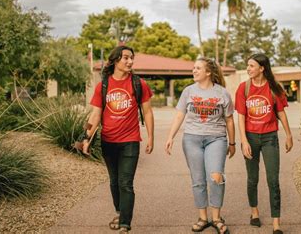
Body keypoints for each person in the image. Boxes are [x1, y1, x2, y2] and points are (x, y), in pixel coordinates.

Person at [81, 45, 154, 234]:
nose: (130, 61)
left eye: (132, 58)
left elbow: (147, 112)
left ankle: (125, 225)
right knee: (114, 181)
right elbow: (95, 115)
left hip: (130, 141)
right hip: (108, 141)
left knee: (125, 183)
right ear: (115, 61)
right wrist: (86, 137)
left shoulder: (139, 84)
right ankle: (120, 212)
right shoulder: (103, 85)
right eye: (126, 58)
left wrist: (151, 137)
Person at [165, 57, 235, 234]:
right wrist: (170, 136)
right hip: (192, 139)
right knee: (198, 180)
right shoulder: (188, 91)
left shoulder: (222, 93)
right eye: (193, 68)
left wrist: (232, 143)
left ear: (208, 72)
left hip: (216, 139)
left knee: (216, 177)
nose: (194, 71)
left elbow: (229, 120)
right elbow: (180, 115)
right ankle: (203, 218)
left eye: (198, 68)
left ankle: (217, 218)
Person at [234, 53, 293, 234]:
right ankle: (254, 213)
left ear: (262, 68)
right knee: (253, 179)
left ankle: (276, 224)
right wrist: (243, 141)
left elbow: (281, 113)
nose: (248, 69)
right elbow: (241, 117)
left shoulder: (274, 88)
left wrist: (288, 135)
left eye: (252, 66)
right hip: (250, 138)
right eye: (248, 66)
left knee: (273, 180)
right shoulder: (243, 88)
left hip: (270, 138)